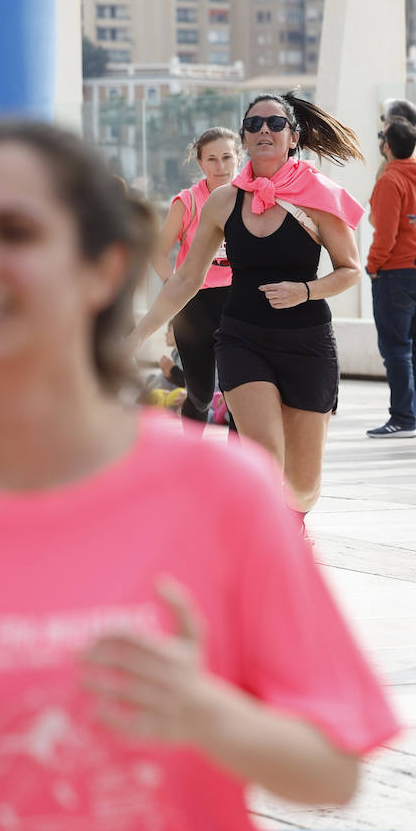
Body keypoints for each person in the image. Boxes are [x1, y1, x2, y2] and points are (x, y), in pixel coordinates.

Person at [0, 120, 397, 831]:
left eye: (15, 230)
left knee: (296, 480)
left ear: (102, 269)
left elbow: (332, 768)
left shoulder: (220, 491)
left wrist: (206, 712)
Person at [129, 92, 367, 523]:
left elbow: (351, 270)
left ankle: (289, 526)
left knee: (303, 487)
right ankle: (260, 551)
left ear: (292, 138)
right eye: (254, 124)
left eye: (275, 125)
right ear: (244, 136)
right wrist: (139, 332)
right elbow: (186, 277)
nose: (264, 131)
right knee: (262, 461)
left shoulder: (318, 197)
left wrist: (306, 291)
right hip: (242, 338)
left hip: (307, 343)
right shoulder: (224, 202)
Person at [148, 127, 240, 435]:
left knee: (240, 393)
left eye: (227, 157)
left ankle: (235, 473)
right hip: (195, 303)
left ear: (238, 158)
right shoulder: (187, 201)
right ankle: (191, 459)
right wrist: (174, 286)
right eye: (212, 159)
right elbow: (159, 253)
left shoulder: (251, 197)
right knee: (200, 396)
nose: (221, 166)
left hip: (239, 302)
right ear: (200, 163)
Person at [365, 118, 416, 439]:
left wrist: (373, 266)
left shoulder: (390, 180)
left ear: (387, 147)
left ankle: (402, 418)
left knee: (397, 349)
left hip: (395, 272)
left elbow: (384, 235)